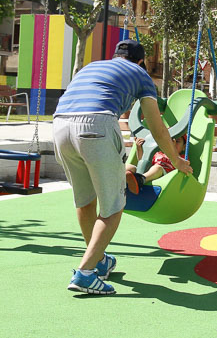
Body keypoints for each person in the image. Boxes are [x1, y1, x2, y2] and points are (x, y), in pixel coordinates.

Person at [53, 39, 192, 295]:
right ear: (140, 61)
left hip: (60, 125)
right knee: (114, 206)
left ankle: (99, 260)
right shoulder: (140, 74)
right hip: (97, 125)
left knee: (85, 201)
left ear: (116, 56)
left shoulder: (93, 66)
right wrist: (177, 160)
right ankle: (85, 273)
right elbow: (158, 129)